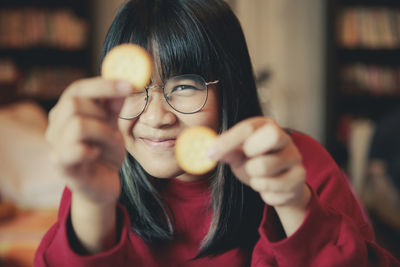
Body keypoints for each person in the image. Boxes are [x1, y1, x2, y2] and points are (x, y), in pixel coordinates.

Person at [34, 0, 400, 266]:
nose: (157, 117)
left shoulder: (297, 164)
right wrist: (93, 205)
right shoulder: (95, 171)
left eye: (185, 85)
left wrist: (292, 203)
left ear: (232, 87)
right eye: (132, 88)